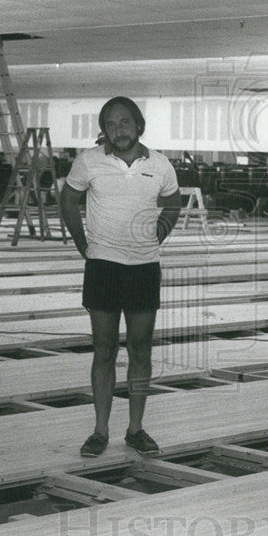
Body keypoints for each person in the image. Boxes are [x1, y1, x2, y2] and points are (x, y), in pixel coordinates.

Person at [60, 97, 182, 458]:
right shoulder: (88, 161)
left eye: (124, 123)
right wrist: (83, 244)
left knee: (141, 349)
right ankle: (99, 431)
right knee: (104, 349)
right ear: (104, 130)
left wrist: (160, 231)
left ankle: (135, 429)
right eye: (111, 125)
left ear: (138, 124)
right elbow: (68, 201)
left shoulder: (160, 165)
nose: (119, 130)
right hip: (104, 267)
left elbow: (172, 203)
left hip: (144, 267)